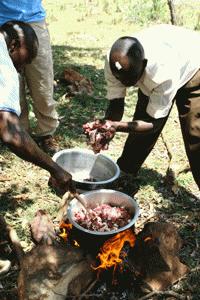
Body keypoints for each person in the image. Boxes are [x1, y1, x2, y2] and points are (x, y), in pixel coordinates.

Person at [83, 24, 200, 190]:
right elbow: (116, 105)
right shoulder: (116, 62)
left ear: (144, 64)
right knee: (140, 124)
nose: (125, 84)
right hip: (161, 68)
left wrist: (116, 126)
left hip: (194, 67)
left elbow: (153, 124)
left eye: (130, 80)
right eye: (121, 79)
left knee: (196, 135)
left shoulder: (161, 72)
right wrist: (106, 128)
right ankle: (125, 173)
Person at [0, 21, 75, 274]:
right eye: (24, 59)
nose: (22, 68)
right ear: (15, 44)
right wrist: (55, 169)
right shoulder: (5, 68)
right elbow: (11, 133)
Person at [0, 1, 59, 155]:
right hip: (2, 20)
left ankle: (46, 132)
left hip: (34, 20)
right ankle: (20, 133)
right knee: (11, 87)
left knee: (43, 85)